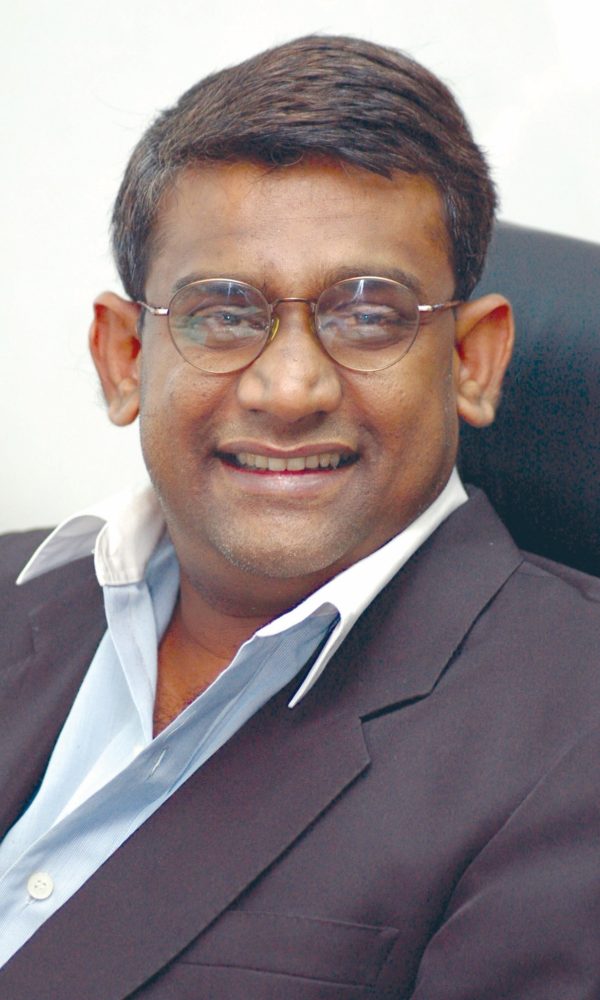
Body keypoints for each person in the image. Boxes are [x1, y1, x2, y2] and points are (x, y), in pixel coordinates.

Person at [1, 34, 600, 1000]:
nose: (289, 389)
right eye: (223, 312)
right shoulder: (15, 589)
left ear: (472, 361)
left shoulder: (578, 724)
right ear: (124, 359)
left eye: (368, 314)